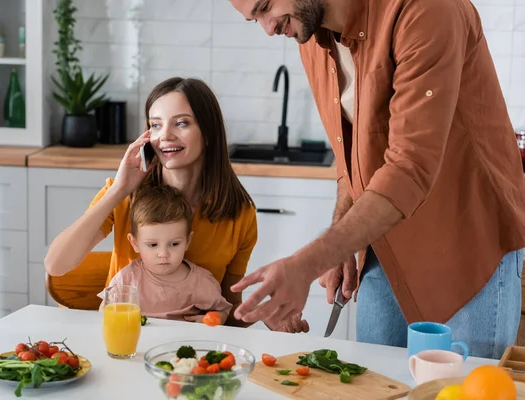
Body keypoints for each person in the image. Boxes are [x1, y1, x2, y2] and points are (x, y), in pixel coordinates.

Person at [229, 0, 525, 359]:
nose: (268, 27)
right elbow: (351, 153)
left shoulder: (426, 10)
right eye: (252, 19)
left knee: (464, 391)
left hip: (468, 245)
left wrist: (308, 263)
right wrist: (339, 238)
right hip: (385, 243)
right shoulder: (309, 34)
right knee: (375, 385)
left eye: (265, 6)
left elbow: (408, 167)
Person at [45, 77, 309, 333]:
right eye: (156, 125)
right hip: (129, 345)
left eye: (181, 123)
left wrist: (265, 315)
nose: (165, 136)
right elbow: (56, 265)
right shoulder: (126, 195)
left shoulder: (239, 214)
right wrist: (119, 190)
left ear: (208, 132)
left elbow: (228, 313)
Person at [98, 185, 232, 324]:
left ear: (188, 241)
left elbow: (222, 311)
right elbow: (104, 312)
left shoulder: (202, 282)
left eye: (174, 244)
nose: (163, 254)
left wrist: (209, 320)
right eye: (153, 245)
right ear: (135, 243)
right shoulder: (127, 280)